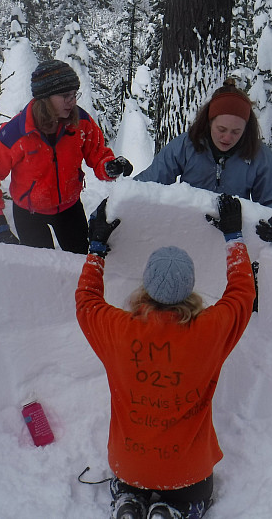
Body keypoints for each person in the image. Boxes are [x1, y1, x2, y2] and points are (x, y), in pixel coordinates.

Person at [75, 195, 256, 519]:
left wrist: (96, 248)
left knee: (130, 482)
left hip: (129, 466)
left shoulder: (118, 330)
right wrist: (233, 237)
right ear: (189, 289)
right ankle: (175, 510)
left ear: (146, 286)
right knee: (191, 497)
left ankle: (129, 502)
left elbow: (87, 301)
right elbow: (242, 293)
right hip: (188, 474)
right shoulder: (209, 331)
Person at [0, 59, 133, 253]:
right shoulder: (15, 134)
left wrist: (110, 166)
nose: (73, 101)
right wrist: (0, 225)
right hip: (29, 214)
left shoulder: (80, 122)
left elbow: (99, 155)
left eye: (74, 94)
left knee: (79, 263)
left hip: (69, 209)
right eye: (66, 95)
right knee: (42, 271)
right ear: (45, 98)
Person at [133, 78, 272, 243]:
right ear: (209, 122)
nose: (227, 137)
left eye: (236, 131)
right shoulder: (186, 146)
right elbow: (148, 184)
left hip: (234, 239)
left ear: (246, 129)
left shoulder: (259, 156)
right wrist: (117, 198)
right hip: (186, 235)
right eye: (221, 129)